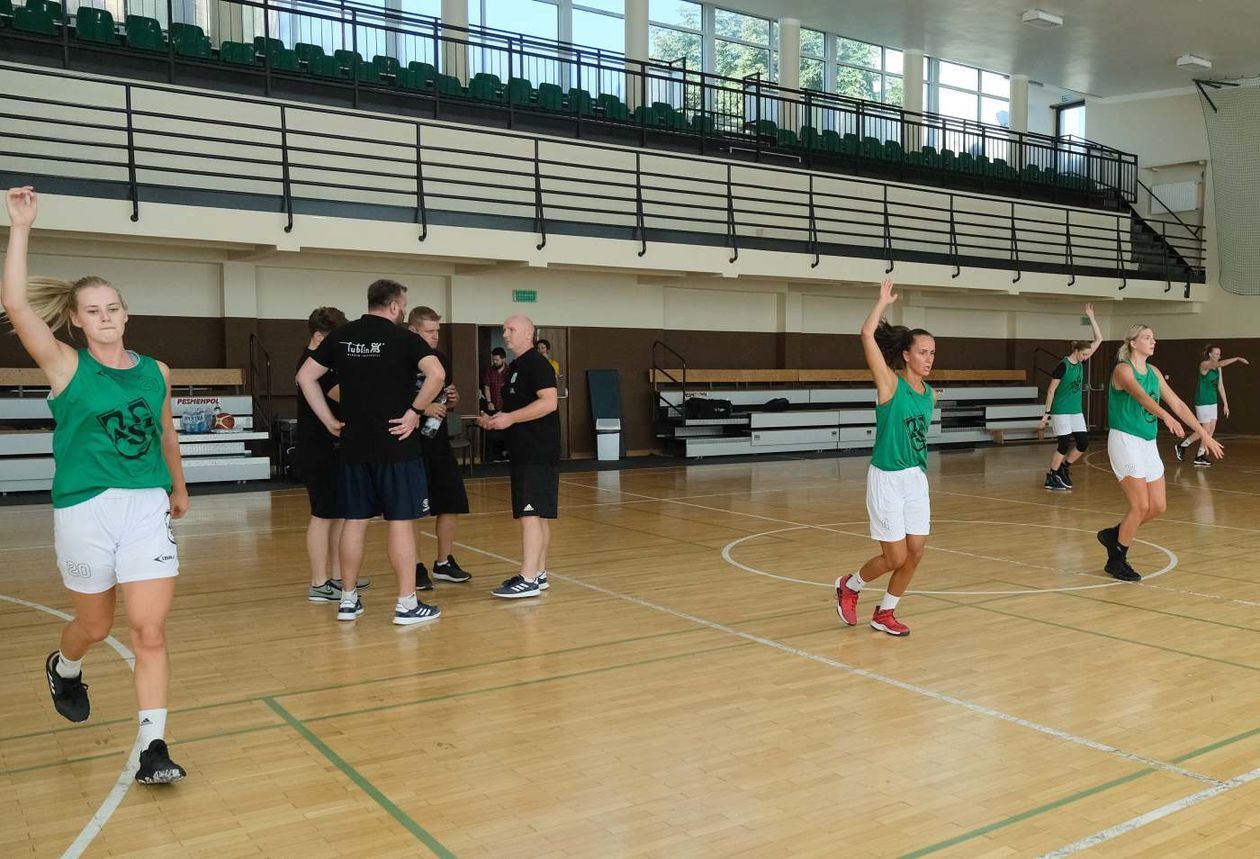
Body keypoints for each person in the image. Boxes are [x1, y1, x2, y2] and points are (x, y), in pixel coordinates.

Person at [3, 186, 188, 783]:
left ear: (126, 314)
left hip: (145, 508)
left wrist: (177, 488)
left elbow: (163, 434)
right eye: (94, 311)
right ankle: (65, 664)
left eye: (114, 307)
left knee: (149, 629)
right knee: (97, 627)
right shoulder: (65, 365)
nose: (106, 317)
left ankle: (153, 747)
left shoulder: (156, 371)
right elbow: (17, 305)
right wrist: (21, 227)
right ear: (77, 323)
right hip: (84, 510)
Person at [296, 279, 445, 625]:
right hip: (396, 443)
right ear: (395, 306)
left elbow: (306, 378)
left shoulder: (341, 337)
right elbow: (436, 374)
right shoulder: (404, 338)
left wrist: (330, 419)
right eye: (403, 305)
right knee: (401, 524)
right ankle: (406, 604)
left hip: (354, 445)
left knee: (355, 521)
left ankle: (347, 600)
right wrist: (415, 411)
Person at [835, 279, 936, 637]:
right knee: (895, 558)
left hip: (915, 479)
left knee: (916, 553)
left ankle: (885, 613)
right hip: (886, 478)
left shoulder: (930, 395)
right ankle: (851, 585)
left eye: (932, 353)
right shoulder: (890, 384)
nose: (928, 358)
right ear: (907, 355)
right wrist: (881, 303)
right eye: (923, 352)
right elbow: (866, 335)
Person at [1098, 324, 1223, 581]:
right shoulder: (1123, 370)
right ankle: (1117, 559)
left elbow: (1177, 403)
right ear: (1133, 343)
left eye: (1154, 337)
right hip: (1125, 439)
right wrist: (1166, 417)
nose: (1153, 341)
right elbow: (1143, 397)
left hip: (1147, 442)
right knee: (1140, 505)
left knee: (1157, 506)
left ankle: (1115, 534)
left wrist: (1205, 434)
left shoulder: (1153, 371)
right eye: (1147, 337)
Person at [478, 315, 560, 599]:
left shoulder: (537, 364)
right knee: (537, 515)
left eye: (511, 329)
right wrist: (494, 420)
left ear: (529, 334)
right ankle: (538, 572)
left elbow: (549, 402)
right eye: (503, 329)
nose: (506, 334)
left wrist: (510, 417)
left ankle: (528, 578)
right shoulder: (516, 367)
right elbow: (516, 410)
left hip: (537, 451)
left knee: (530, 514)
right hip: (524, 449)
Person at [296, 306, 372, 603]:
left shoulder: (329, 363)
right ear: (318, 336)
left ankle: (341, 577)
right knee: (322, 514)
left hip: (337, 447)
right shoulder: (313, 366)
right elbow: (346, 395)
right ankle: (318, 581)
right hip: (319, 449)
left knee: (341, 512)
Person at [407, 306, 473, 589]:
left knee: (450, 501)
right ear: (413, 330)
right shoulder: (400, 358)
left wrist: (452, 400)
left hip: (439, 441)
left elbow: (447, 395)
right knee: (411, 510)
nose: (435, 337)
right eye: (429, 331)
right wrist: (422, 408)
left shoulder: (440, 358)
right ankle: (414, 565)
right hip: (411, 444)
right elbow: (388, 399)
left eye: (437, 331)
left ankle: (443, 562)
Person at [1038, 303, 1103, 491]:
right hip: (1060, 410)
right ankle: (1051, 476)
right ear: (1076, 351)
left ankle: (1064, 467)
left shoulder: (1082, 360)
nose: (1086, 357)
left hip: (1075, 411)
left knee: (1083, 442)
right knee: (1064, 443)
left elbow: (1099, 339)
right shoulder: (1063, 366)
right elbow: (1051, 390)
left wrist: (1091, 316)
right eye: (1084, 354)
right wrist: (1046, 414)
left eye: (1087, 354)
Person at [1175, 345, 1248, 467]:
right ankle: (1182, 445)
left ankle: (1200, 455)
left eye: (1220, 354)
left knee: (1212, 428)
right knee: (1205, 429)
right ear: (1210, 354)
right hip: (1202, 400)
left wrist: (1225, 404)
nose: (1218, 356)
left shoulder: (1218, 369)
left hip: (1212, 401)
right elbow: (1220, 364)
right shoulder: (1204, 365)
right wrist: (1236, 358)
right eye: (1216, 354)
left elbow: (1220, 386)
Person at [481, 346, 509, 462]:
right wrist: (489, 402)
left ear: (503, 359)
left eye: (497, 360)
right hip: (493, 404)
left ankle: (506, 454)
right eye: (493, 360)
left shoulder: (510, 370)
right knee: (493, 430)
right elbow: (486, 387)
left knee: (507, 430)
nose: (495, 362)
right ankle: (493, 456)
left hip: (506, 405)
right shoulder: (489, 370)